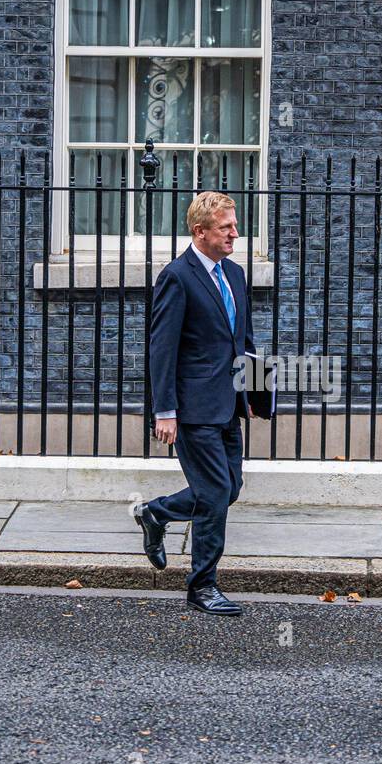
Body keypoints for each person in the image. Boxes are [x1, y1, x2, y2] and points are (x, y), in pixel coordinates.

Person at [133, 191, 257, 616]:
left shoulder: (235, 274)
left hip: (229, 404)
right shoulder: (177, 276)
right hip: (193, 407)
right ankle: (202, 585)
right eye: (226, 228)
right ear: (200, 231)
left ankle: (156, 513)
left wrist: (254, 391)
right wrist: (164, 410)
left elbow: (244, 340)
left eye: (234, 226)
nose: (234, 234)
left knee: (229, 489)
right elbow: (161, 348)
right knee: (215, 492)